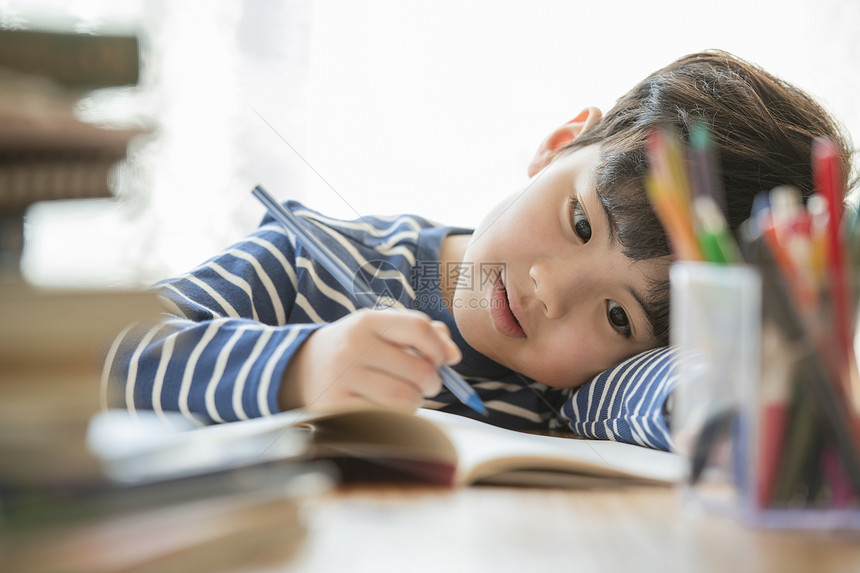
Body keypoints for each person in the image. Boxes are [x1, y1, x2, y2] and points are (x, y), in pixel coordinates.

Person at [103, 50, 855, 451]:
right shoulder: (310, 263)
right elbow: (114, 357)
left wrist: (742, 395)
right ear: (559, 143)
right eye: (581, 223)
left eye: (619, 315)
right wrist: (303, 368)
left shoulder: (582, 389)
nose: (551, 292)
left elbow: (678, 388)